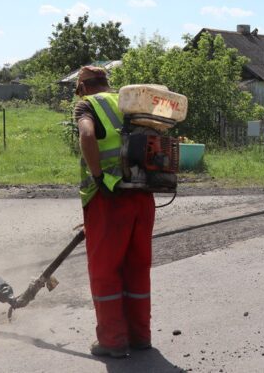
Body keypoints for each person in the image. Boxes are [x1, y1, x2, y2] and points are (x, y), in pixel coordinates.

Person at [74, 66, 155, 359]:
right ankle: (140, 337)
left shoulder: (87, 105)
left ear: (82, 87)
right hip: (143, 196)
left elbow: (86, 134)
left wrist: (98, 178)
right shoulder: (130, 104)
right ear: (108, 84)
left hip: (110, 196)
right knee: (137, 268)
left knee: (105, 271)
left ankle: (113, 341)